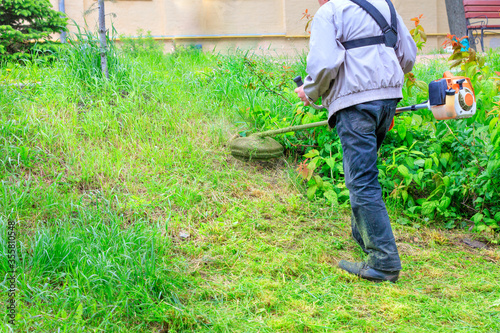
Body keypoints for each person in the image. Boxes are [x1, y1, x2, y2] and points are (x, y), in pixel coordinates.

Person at [295, 0, 417, 282]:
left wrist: (310, 91)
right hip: (387, 101)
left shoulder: (331, 12)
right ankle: (364, 237)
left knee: (361, 180)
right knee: (363, 174)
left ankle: (384, 263)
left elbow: (324, 63)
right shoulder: (386, 7)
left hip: (356, 104)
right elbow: (408, 56)